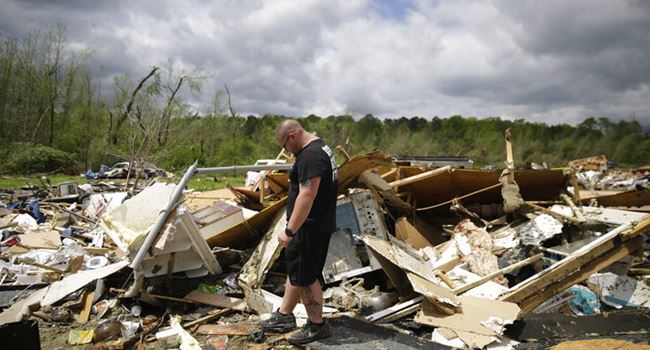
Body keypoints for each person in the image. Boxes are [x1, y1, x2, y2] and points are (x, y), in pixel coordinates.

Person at [259, 119, 339, 345]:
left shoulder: (310, 156)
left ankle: (317, 326)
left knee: (305, 277)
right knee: (297, 270)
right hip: (314, 224)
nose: (286, 151)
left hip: (308, 226)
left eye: (285, 145)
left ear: (292, 136)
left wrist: (290, 229)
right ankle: (284, 316)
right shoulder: (320, 148)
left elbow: (307, 195)